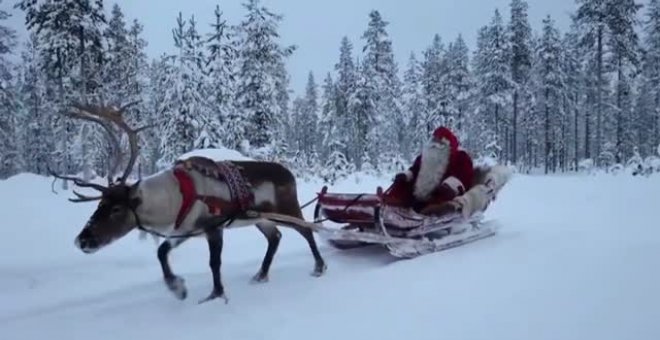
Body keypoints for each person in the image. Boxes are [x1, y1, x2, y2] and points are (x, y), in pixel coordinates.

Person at [387, 126, 474, 216]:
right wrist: (406, 175)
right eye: (434, 141)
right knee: (402, 183)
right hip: (417, 195)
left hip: (440, 194)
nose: (435, 145)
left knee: (446, 196)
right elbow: (415, 170)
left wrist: (451, 184)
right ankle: (388, 203)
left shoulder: (461, 157)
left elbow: (464, 177)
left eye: (439, 142)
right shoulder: (424, 157)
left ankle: (433, 212)